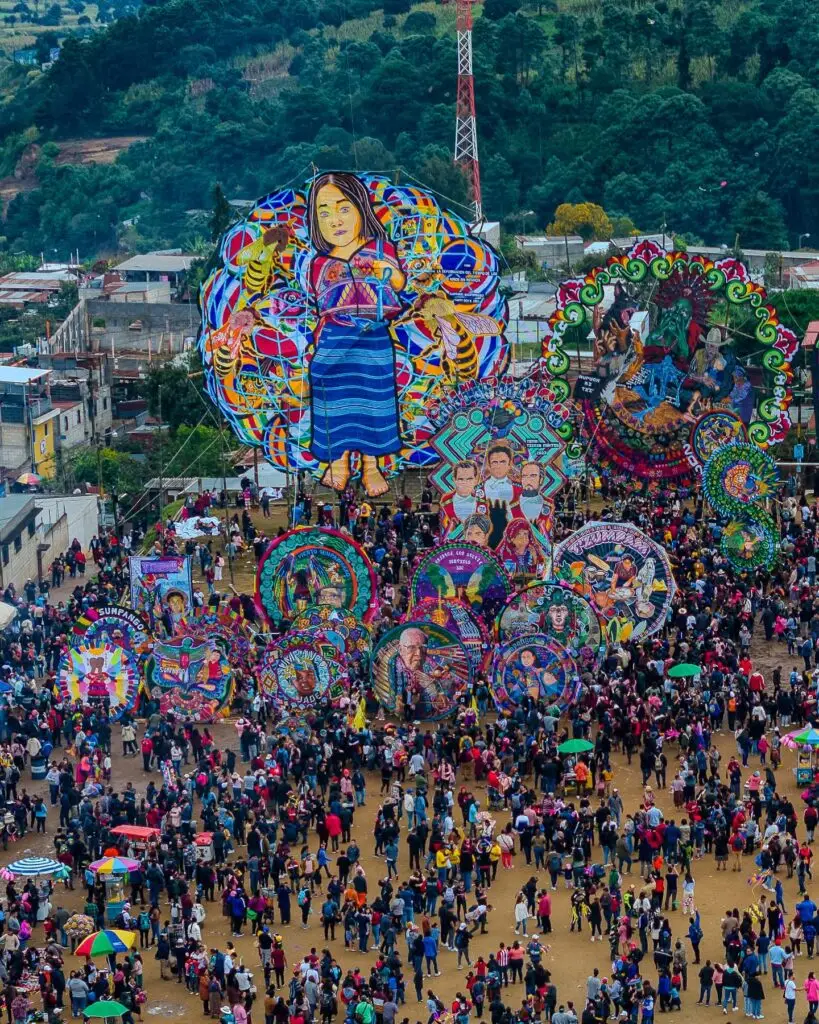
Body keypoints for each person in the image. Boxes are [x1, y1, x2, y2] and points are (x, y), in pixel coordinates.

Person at [306, 171, 407, 497]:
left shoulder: (380, 249)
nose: (334, 219)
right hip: (336, 337)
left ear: (361, 207)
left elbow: (399, 284)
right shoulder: (319, 263)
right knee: (331, 398)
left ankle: (371, 466)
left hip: (373, 339)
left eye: (343, 207)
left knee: (373, 401)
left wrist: (382, 271)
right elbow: (318, 299)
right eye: (324, 212)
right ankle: (336, 463)